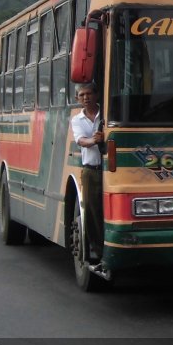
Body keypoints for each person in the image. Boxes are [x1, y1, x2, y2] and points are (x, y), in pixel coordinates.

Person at [70, 82, 104, 263]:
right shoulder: (77, 120)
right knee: (91, 211)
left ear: (96, 95)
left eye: (89, 94)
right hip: (90, 171)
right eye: (82, 95)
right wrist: (95, 140)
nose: (86, 98)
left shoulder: (106, 114)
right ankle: (98, 252)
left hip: (110, 171)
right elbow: (81, 141)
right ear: (77, 98)